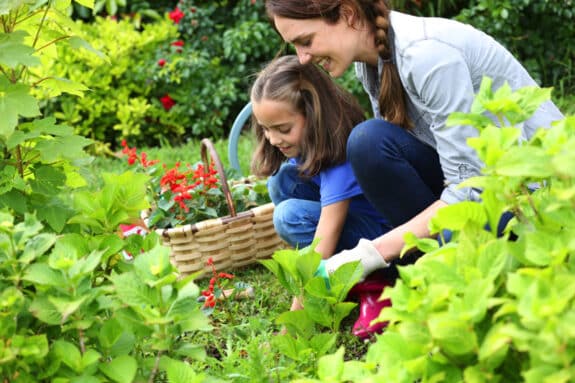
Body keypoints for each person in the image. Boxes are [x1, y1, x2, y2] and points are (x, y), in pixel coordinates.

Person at [264, 0, 565, 281]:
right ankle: (424, 268)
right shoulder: (371, 61)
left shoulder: (426, 56)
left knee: (367, 141)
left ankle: (435, 272)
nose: (302, 58)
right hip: (467, 189)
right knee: (347, 155)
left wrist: (370, 253)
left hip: (529, 204)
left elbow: (471, 188)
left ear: (347, 15)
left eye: (306, 41)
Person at [250, 55, 392, 337]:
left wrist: (293, 327)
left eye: (283, 129)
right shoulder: (307, 146)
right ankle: (332, 280)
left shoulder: (339, 157)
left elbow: (320, 246)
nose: (273, 140)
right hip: (356, 221)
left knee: (289, 216)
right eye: (266, 129)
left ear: (313, 115)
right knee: (282, 181)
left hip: (380, 240)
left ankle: (367, 283)